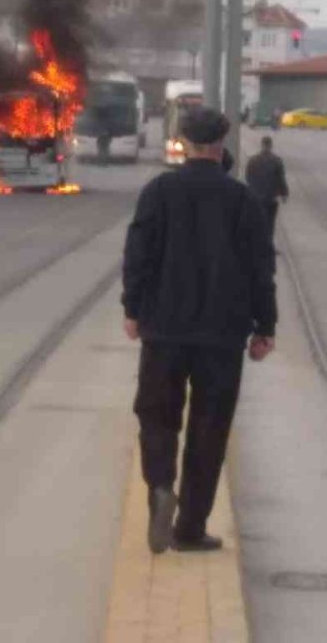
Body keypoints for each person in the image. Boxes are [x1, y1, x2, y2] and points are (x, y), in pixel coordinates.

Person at [122, 107, 276, 557]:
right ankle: (190, 528)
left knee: (156, 415)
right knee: (210, 428)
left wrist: (133, 309)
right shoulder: (243, 200)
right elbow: (260, 270)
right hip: (223, 336)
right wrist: (265, 327)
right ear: (222, 144)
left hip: (164, 330)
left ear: (182, 141)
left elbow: (138, 255)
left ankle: (160, 486)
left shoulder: (158, 192)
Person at [244, 135, 289, 240]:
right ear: (271, 145)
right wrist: (284, 194)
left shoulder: (252, 160)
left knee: (256, 221)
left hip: (255, 197)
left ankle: (256, 243)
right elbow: (281, 179)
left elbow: (247, 177)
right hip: (270, 198)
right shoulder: (277, 161)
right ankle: (268, 244)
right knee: (270, 222)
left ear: (262, 145)